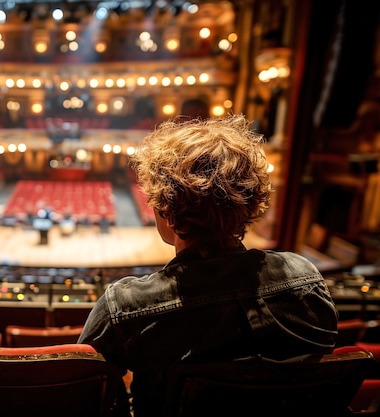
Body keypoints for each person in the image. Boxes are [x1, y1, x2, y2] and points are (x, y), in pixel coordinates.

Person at [77, 114, 338, 416]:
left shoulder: (125, 306)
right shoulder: (305, 278)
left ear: (166, 211)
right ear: (250, 203)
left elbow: (86, 390)